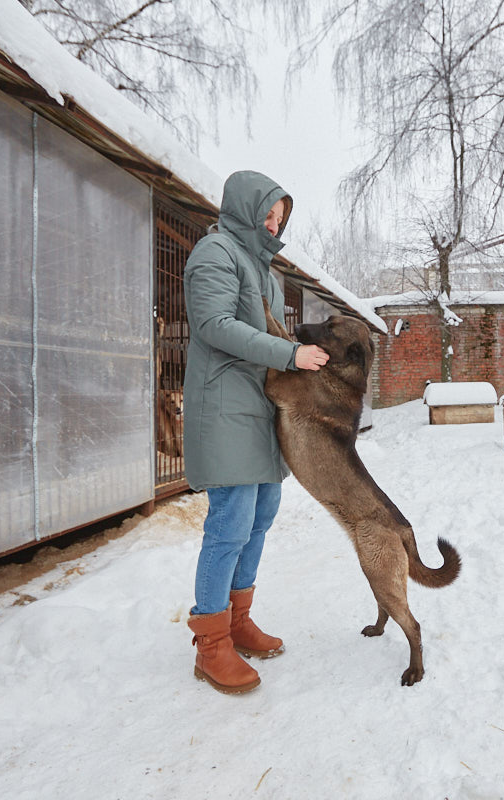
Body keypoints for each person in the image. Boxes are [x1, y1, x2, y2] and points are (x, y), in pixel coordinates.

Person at [181, 170, 329, 694]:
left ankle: (238, 619)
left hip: (260, 408)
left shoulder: (264, 270)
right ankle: (211, 641)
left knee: (261, 515)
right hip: (224, 407)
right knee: (230, 521)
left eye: (280, 218)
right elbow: (215, 326)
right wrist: (290, 354)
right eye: (267, 213)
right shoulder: (215, 253)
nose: (273, 224)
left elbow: (271, 331)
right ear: (244, 208)